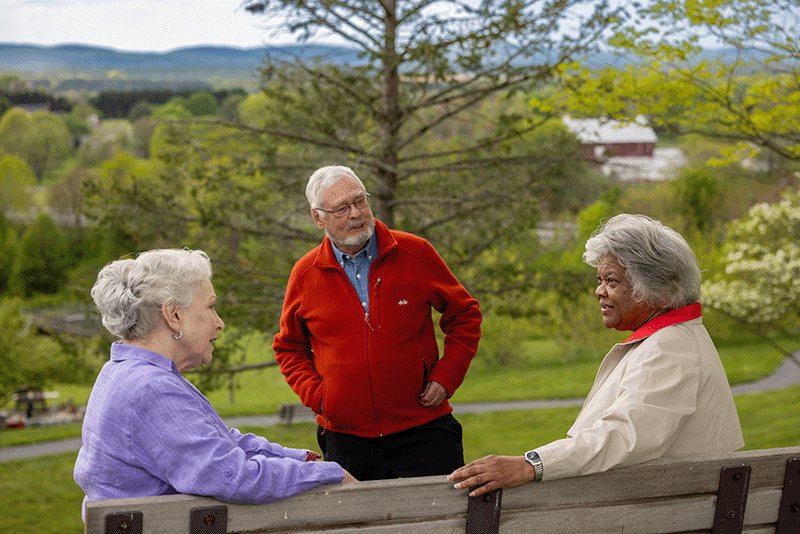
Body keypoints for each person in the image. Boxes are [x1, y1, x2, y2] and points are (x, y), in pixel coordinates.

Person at [449, 214, 744, 496]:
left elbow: (624, 435)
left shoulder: (670, 348)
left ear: (658, 290)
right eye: (600, 280)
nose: (599, 292)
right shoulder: (673, 339)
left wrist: (531, 464)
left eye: (612, 281)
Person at [74, 249, 356, 519]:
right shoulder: (150, 389)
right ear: (173, 316)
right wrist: (328, 473)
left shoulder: (126, 372)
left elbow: (221, 441)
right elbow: (230, 475)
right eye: (210, 307)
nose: (219, 323)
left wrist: (297, 459)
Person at [273, 165, 482, 480]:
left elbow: (465, 315)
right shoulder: (304, 274)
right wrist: (320, 397)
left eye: (359, 201)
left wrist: (446, 376)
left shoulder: (415, 253)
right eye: (341, 208)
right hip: (346, 438)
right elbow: (289, 347)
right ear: (318, 218)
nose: (355, 213)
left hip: (424, 429)